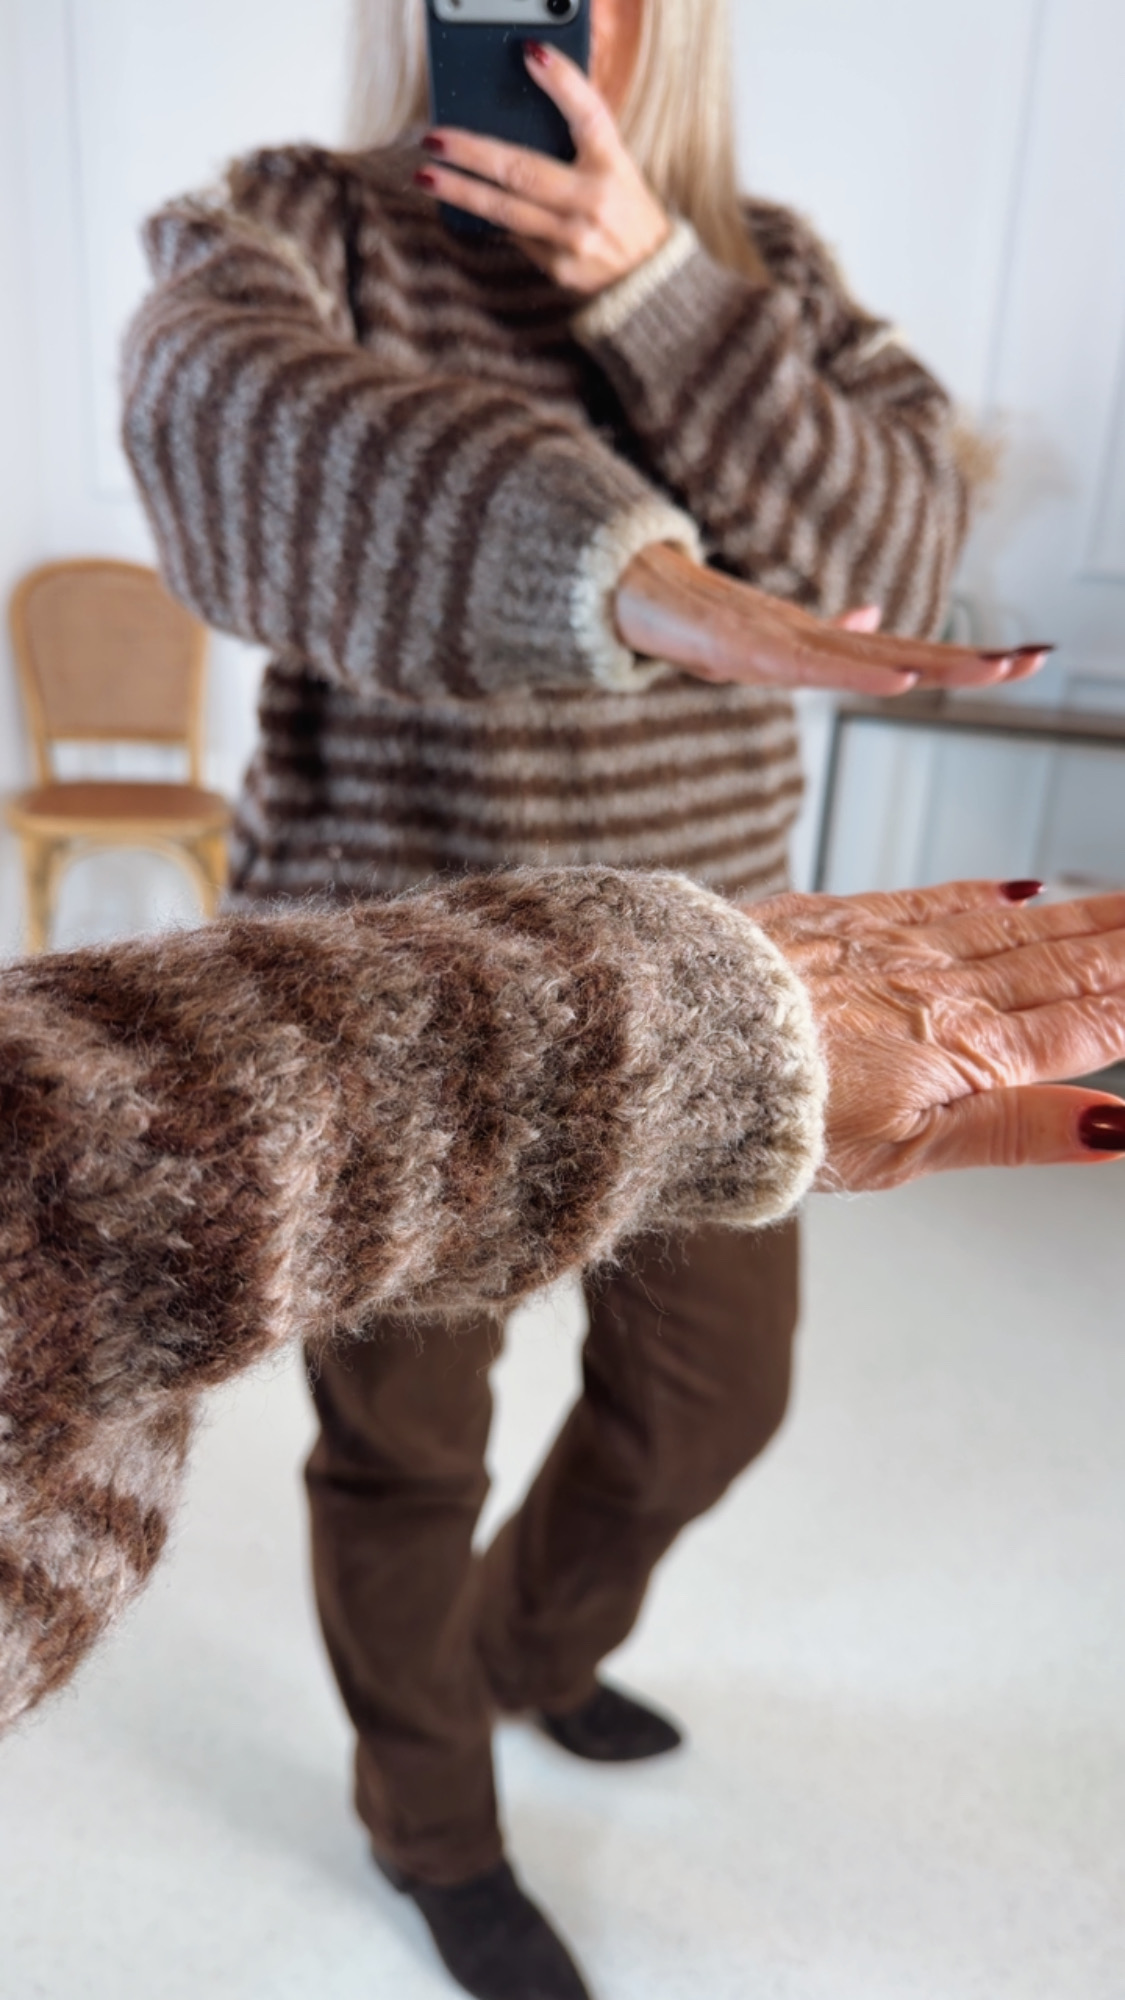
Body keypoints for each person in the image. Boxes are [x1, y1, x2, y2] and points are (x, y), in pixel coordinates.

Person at [118, 3, 1052, 1994]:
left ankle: (510, 1658)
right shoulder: (300, 226)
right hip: (394, 998)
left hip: (703, 980)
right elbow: (214, 412)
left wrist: (656, 291)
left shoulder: (766, 274)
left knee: (710, 1398)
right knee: (406, 1456)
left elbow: (896, 549)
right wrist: (615, 571)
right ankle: (431, 1820)